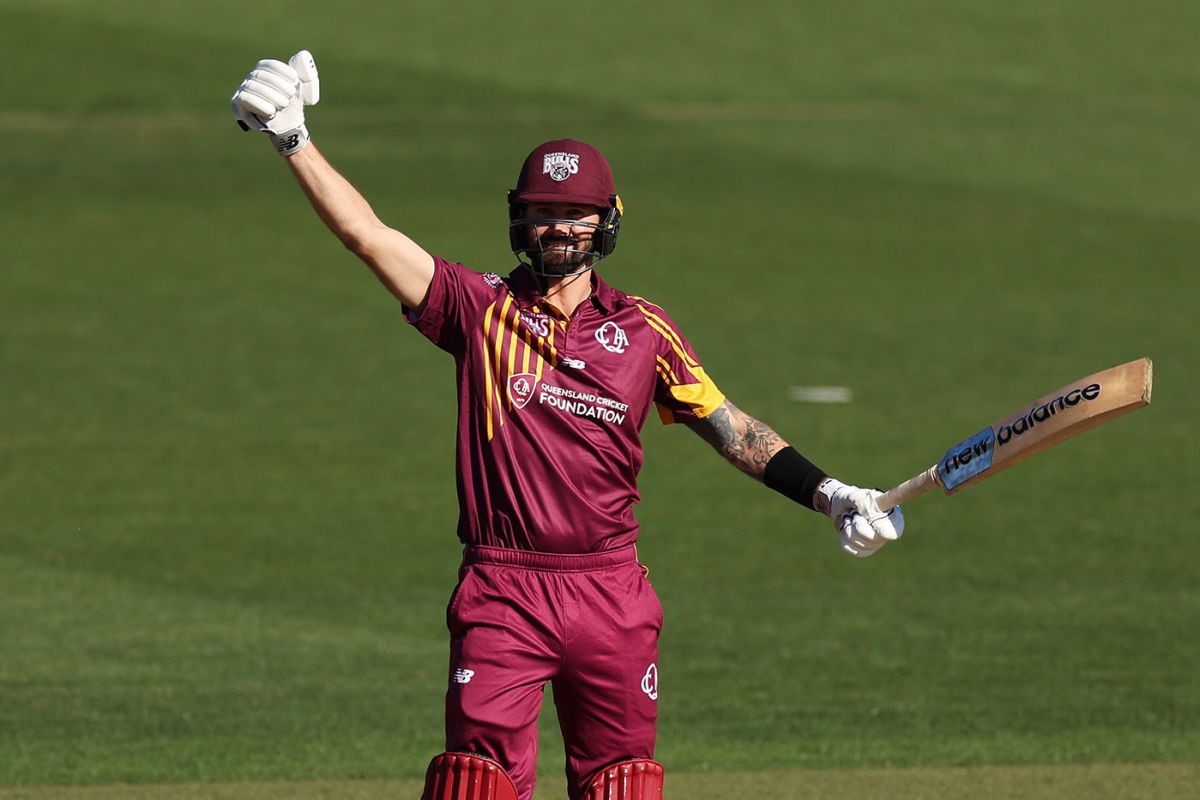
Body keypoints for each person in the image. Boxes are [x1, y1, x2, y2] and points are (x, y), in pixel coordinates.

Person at [231, 52, 905, 800]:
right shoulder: (477, 308)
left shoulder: (645, 331)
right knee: (474, 786)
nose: (560, 228)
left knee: (622, 786)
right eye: (546, 213)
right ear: (520, 218)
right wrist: (294, 139)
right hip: (503, 590)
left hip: (610, 592)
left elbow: (732, 429)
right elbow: (369, 236)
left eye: (576, 214)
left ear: (606, 221)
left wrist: (832, 493)